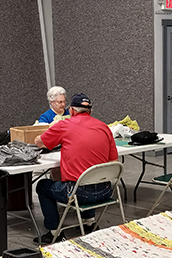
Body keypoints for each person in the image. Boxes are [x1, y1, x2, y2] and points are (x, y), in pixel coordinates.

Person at [33, 93, 118, 244]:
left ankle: (54, 232)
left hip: (79, 193)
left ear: (71, 111)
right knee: (89, 176)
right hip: (105, 190)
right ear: (90, 111)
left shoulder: (64, 125)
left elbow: (39, 142)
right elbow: (113, 161)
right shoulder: (104, 127)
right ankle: (89, 222)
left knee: (42, 186)